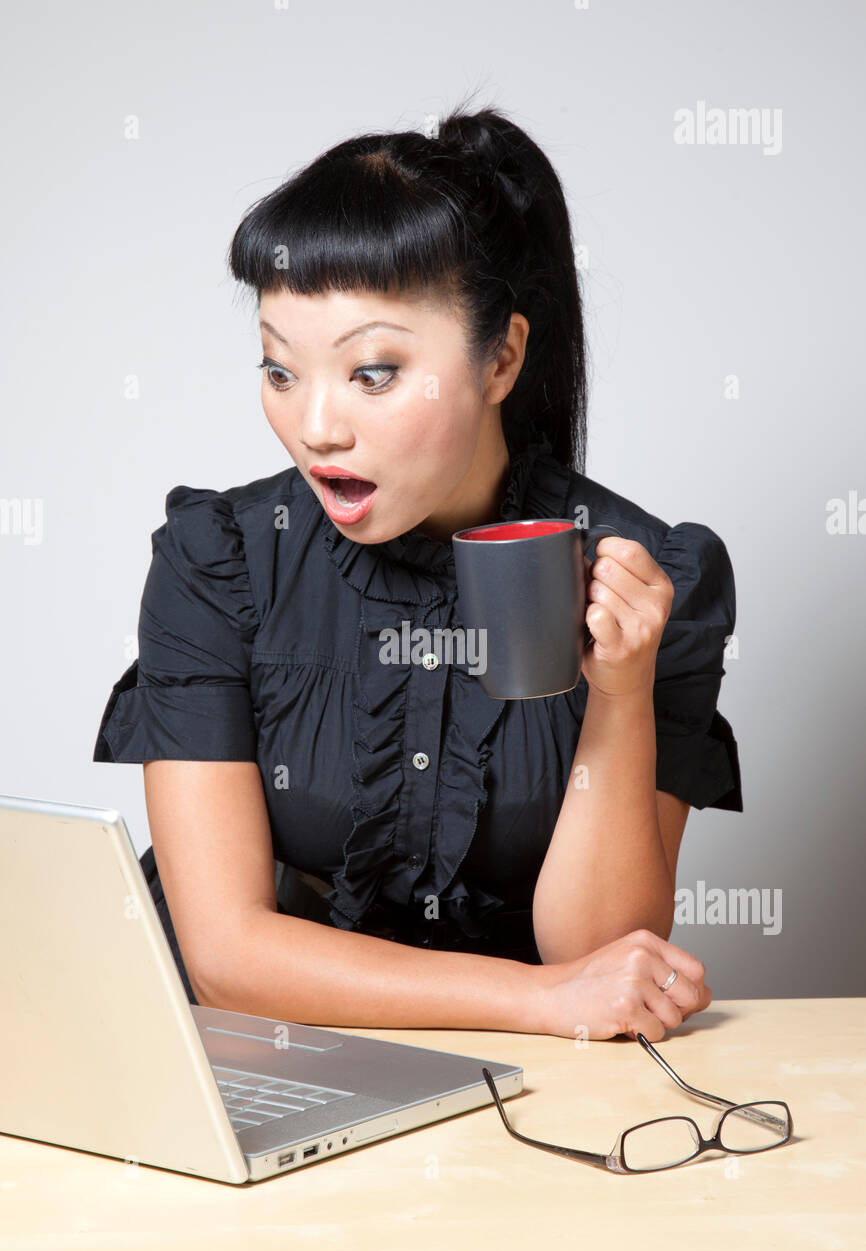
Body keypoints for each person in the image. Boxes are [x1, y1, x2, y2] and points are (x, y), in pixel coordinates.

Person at [93, 98, 742, 1043]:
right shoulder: (220, 559)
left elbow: (601, 955)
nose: (317, 427)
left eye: (372, 373)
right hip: (248, 1061)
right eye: (281, 371)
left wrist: (621, 694)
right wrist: (534, 1002)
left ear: (501, 359)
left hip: (517, 1087)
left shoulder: (643, 576)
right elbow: (225, 955)